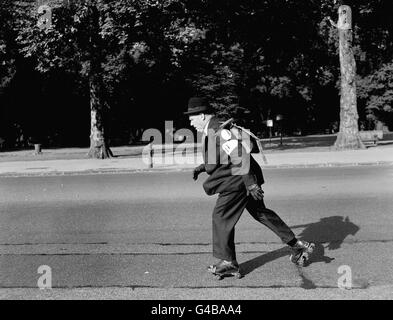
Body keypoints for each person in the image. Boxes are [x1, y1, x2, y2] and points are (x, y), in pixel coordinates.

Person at [185, 97, 315, 278]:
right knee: (260, 213)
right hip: (244, 178)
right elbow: (222, 155)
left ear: (202, 115)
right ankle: (297, 246)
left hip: (239, 180)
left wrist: (250, 183)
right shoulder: (213, 129)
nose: (190, 122)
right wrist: (201, 167)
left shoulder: (218, 130)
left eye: (192, 118)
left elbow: (240, 155)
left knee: (221, 216)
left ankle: (228, 262)